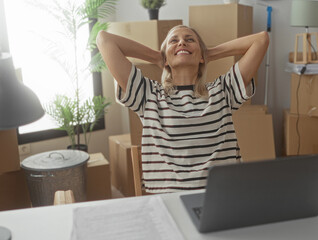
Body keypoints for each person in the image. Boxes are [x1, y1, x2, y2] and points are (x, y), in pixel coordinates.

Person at [97, 25, 269, 194]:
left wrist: (208, 53)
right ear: (166, 60)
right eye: (174, 40)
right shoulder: (149, 95)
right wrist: (158, 57)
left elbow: (261, 40)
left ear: (201, 56)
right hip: (169, 200)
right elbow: (104, 39)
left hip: (221, 196)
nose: (181, 43)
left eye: (189, 40)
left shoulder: (222, 90)